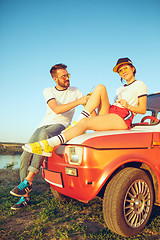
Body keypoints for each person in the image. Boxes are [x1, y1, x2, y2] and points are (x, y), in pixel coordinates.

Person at [12, 57, 148, 196]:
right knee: (100, 87)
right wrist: (89, 102)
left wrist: (128, 106)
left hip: (122, 117)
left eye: (125, 68)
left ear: (133, 68)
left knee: (84, 123)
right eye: (120, 70)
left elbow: (142, 110)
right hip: (111, 112)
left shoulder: (140, 85)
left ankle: (54, 141)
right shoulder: (120, 89)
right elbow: (60, 107)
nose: (123, 71)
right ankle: (82, 118)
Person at [10, 63, 90, 210]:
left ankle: (30, 179)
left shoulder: (75, 90)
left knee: (44, 135)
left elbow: (88, 106)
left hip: (61, 126)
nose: (67, 78)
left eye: (68, 75)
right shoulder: (48, 90)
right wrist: (79, 101)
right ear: (55, 79)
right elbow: (57, 109)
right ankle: (24, 197)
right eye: (63, 76)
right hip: (43, 125)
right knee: (24, 157)